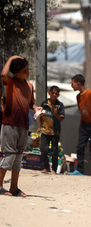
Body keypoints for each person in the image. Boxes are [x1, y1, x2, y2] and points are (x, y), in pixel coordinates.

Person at [0, 56, 43, 197]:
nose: (28, 72)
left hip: (23, 125)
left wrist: (36, 108)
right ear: (16, 73)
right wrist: (12, 58)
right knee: (10, 155)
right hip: (10, 124)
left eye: (27, 69)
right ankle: (0, 185)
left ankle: (14, 187)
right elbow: (3, 74)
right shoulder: (10, 82)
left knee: (18, 156)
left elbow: (30, 103)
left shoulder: (30, 85)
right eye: (24, 71)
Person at [37, 85, 65, 175]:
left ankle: (54, 169)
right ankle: (45, 167)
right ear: (49, 93)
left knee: (54, 151)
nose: (54, 95)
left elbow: (61, 118)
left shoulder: (60, 105)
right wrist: (39, 127)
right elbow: (41, 116)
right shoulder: (44, 103)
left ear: (58, 95)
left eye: (56, 94)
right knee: (43, 149)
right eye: (52, 93)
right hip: (45, 131)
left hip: (55, 132)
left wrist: (54, 112)